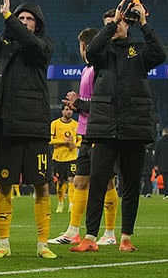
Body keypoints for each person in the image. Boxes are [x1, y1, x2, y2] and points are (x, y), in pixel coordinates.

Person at [70, 0, 165, 253]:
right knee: (98, 182)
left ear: (128, 24)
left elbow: (160, 54)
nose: (114, 26)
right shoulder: (102, 54)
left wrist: (143, 22)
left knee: (131, 184)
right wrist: (111, 26)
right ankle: (90, 237)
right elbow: (90, 53)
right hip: (104, 126)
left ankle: (125, 237)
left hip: (134, 126)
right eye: (110, 24)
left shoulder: (139, 50)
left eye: (119, 21)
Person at [0, 0, 56, 259]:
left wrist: (9, 17)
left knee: (41, 185)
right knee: (5, 185)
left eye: (28, 18)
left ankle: (43, 243)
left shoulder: (43, 46)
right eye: (20, 18)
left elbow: (32, 44)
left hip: (35, 126)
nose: (23, 22)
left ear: (37, 24)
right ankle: (4, 243)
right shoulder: (4, 47)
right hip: (7, 126)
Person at [51, 23, 121, 248]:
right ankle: (73, 231)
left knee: (108, 182)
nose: (82, 51)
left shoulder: (103, 70)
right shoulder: (87, 70)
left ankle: (110, 232)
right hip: (86, 133)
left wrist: (78, 103)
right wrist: (77, 104)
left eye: (82, 46)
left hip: (102, 132)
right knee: (80, 181)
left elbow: (103, 104)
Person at [50, 106, 80, 213]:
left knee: (72, 180)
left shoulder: (76, 125)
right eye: (67, 109)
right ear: (62, 111)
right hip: (58, 158)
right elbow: (50, 140)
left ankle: (71, 204)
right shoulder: (55, 124)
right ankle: (60, 202)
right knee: (61, 182)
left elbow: (80, 140)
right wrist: (64, 142)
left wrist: (74, 144)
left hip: (72, 157)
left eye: (71, 110)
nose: (69, 112)